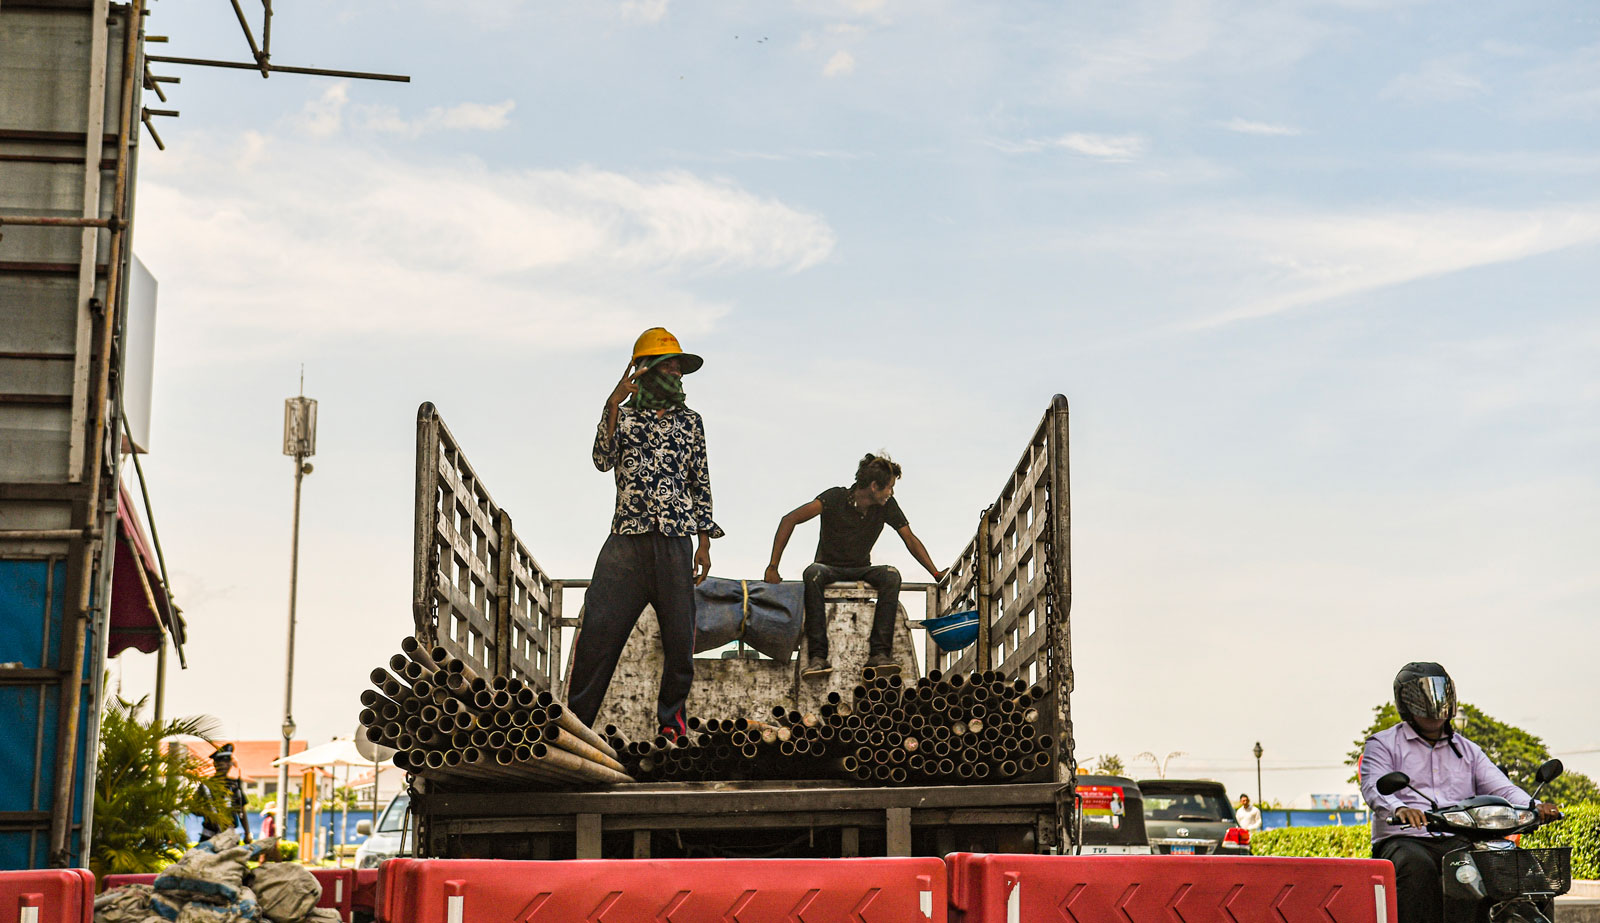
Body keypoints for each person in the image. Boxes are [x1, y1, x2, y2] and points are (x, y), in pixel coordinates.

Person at [567, 327, 722, 741]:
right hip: (626, 541)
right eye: (669, 365)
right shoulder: (626, 416)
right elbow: (602, 460)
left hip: (674, 540)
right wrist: (613, 404)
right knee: (598, 631)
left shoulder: (691, 422)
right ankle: (574, 726)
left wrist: (704, 540)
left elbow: (699, 482)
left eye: (679, 367)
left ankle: (671, 726)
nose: (677, 374)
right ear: (646, 370)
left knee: (679, 641)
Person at [1359, 662, 1562, 923]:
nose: (1434, 706)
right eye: (1423, 698)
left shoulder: (1468, 750)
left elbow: (1501, 786)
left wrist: (1534, 806)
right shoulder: (1383, 744)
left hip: (1460, 837)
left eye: (1439, 695)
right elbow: (1374, 787)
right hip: (1406, 838)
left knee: (1525, 868)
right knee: (1416, 868)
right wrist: (1399, 808)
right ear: (1406, 703)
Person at [764, 453, 944, 678]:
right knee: (812, 573)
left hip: (860, 568)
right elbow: (789, 519)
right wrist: (773, 566)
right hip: (828, 568)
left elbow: (909, 538)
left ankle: (879, 654)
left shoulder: (887, 506)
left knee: (891, 575)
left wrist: (935, 572)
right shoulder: (834, 498)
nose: (891, 493)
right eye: (889, 487)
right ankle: (818, 657)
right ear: (874, 486)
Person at [200, 743, 249, 843]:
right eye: (220, 762)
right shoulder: (206, 786)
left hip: (229, 837)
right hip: (209, 836)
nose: (223, 765)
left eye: (226, 762)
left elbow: (241, 811)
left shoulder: (234, 786)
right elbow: (195, 809)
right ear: (214, 764)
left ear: (230, 764)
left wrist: (247, 833)